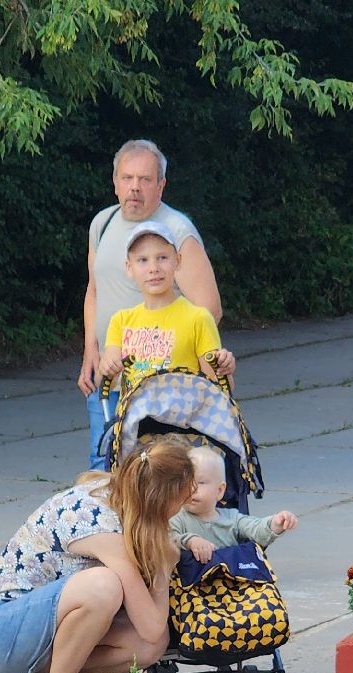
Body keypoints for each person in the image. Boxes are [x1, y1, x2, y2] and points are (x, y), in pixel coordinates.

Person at [0, 438, 195, 673]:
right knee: (104, 586)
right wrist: (163, 568)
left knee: (149, 647)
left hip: (31, 630)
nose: (181, 509)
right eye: (180, 500)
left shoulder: (116, 493)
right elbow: (151, 624)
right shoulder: (101, 526)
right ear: (159, 501)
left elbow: (151, 637)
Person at [79, 139, 224, 470]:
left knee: (154, 475)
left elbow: (209, 311)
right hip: (109, 379)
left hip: (158, 392)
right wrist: (91, 349)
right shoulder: (102, 224)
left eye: (145, 180)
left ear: (162, 185)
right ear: (114, 182)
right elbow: (94, 290)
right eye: (127, 178)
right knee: (105, 468)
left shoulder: (176, 232)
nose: (134, 188)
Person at [97, 222, 235, 393]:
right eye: (142, 260)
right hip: (136, 418)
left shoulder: (198, 318)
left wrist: (223, 369)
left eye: (162, 258)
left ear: (177, 260)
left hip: (183, 418)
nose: (153, 268)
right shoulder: (121, 321)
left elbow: (220, 390)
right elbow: (109, 381)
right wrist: (108, 366)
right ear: (129, 268)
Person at [171, 446, 297, 561]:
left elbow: (256, 529)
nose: (191, 489)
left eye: (201, 483)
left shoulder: (232, 518)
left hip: (228, 580)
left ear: (219, 490)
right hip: (189, 581)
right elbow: (165, 539)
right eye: (185, 482)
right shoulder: (176, 518)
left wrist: (275, 523)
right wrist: (189, 541)